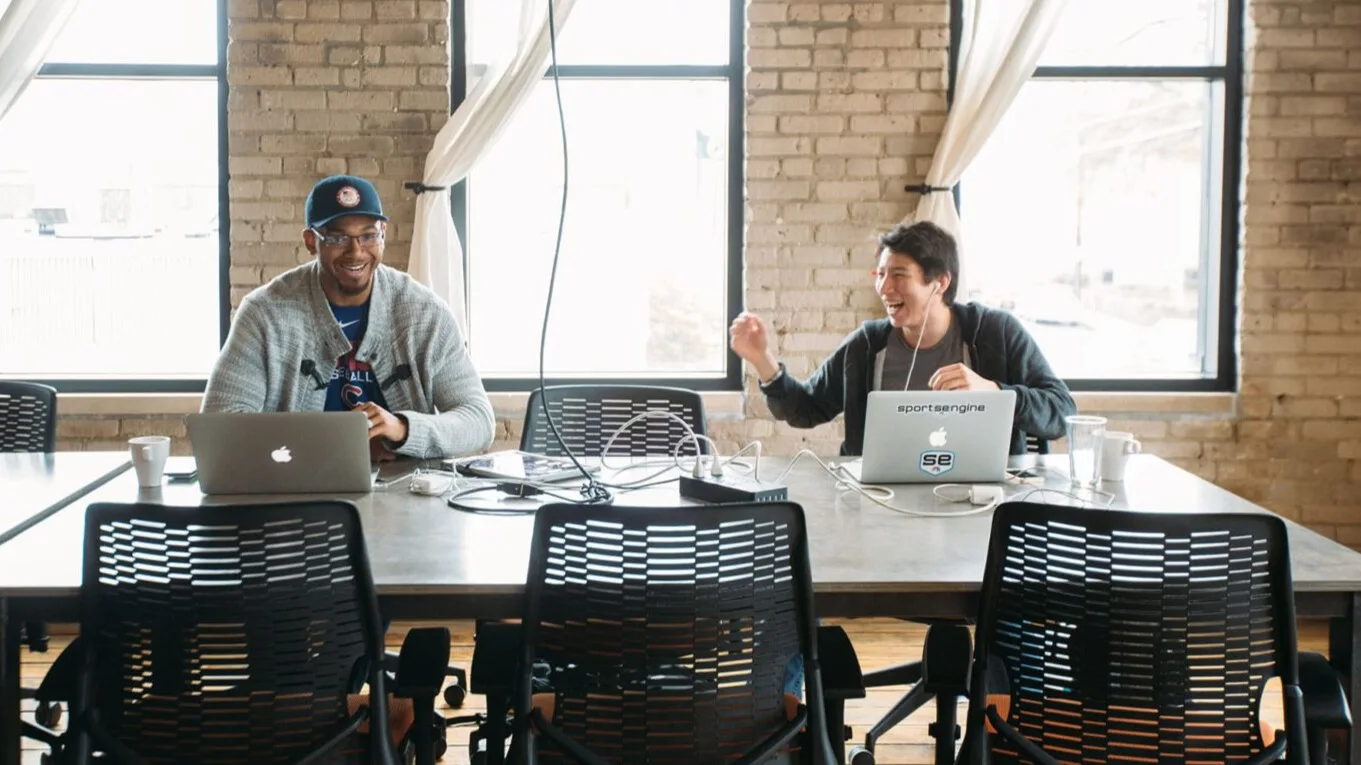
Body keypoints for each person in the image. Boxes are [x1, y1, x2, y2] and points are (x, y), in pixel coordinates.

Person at [203, 174, 494, 460]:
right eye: (337, 238)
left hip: (406, 485)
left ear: (383, 234)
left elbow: (478, 420)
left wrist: (402, 429)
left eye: (368, 235)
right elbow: (219, 426)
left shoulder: (425, 313)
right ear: (310, 241)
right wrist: (335, 447)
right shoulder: (264, 314)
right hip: (295, 485)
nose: (356, 252)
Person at [730, 220, 1075, 456]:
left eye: (898, 274)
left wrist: (995, 393)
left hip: (983, 502)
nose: (884, 287)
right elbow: (806, 409)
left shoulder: (996, 332)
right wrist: (762, 359)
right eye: (880, 274)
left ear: (939, 283)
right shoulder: (867, 345)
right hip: (883, 503)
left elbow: (1062, 412)